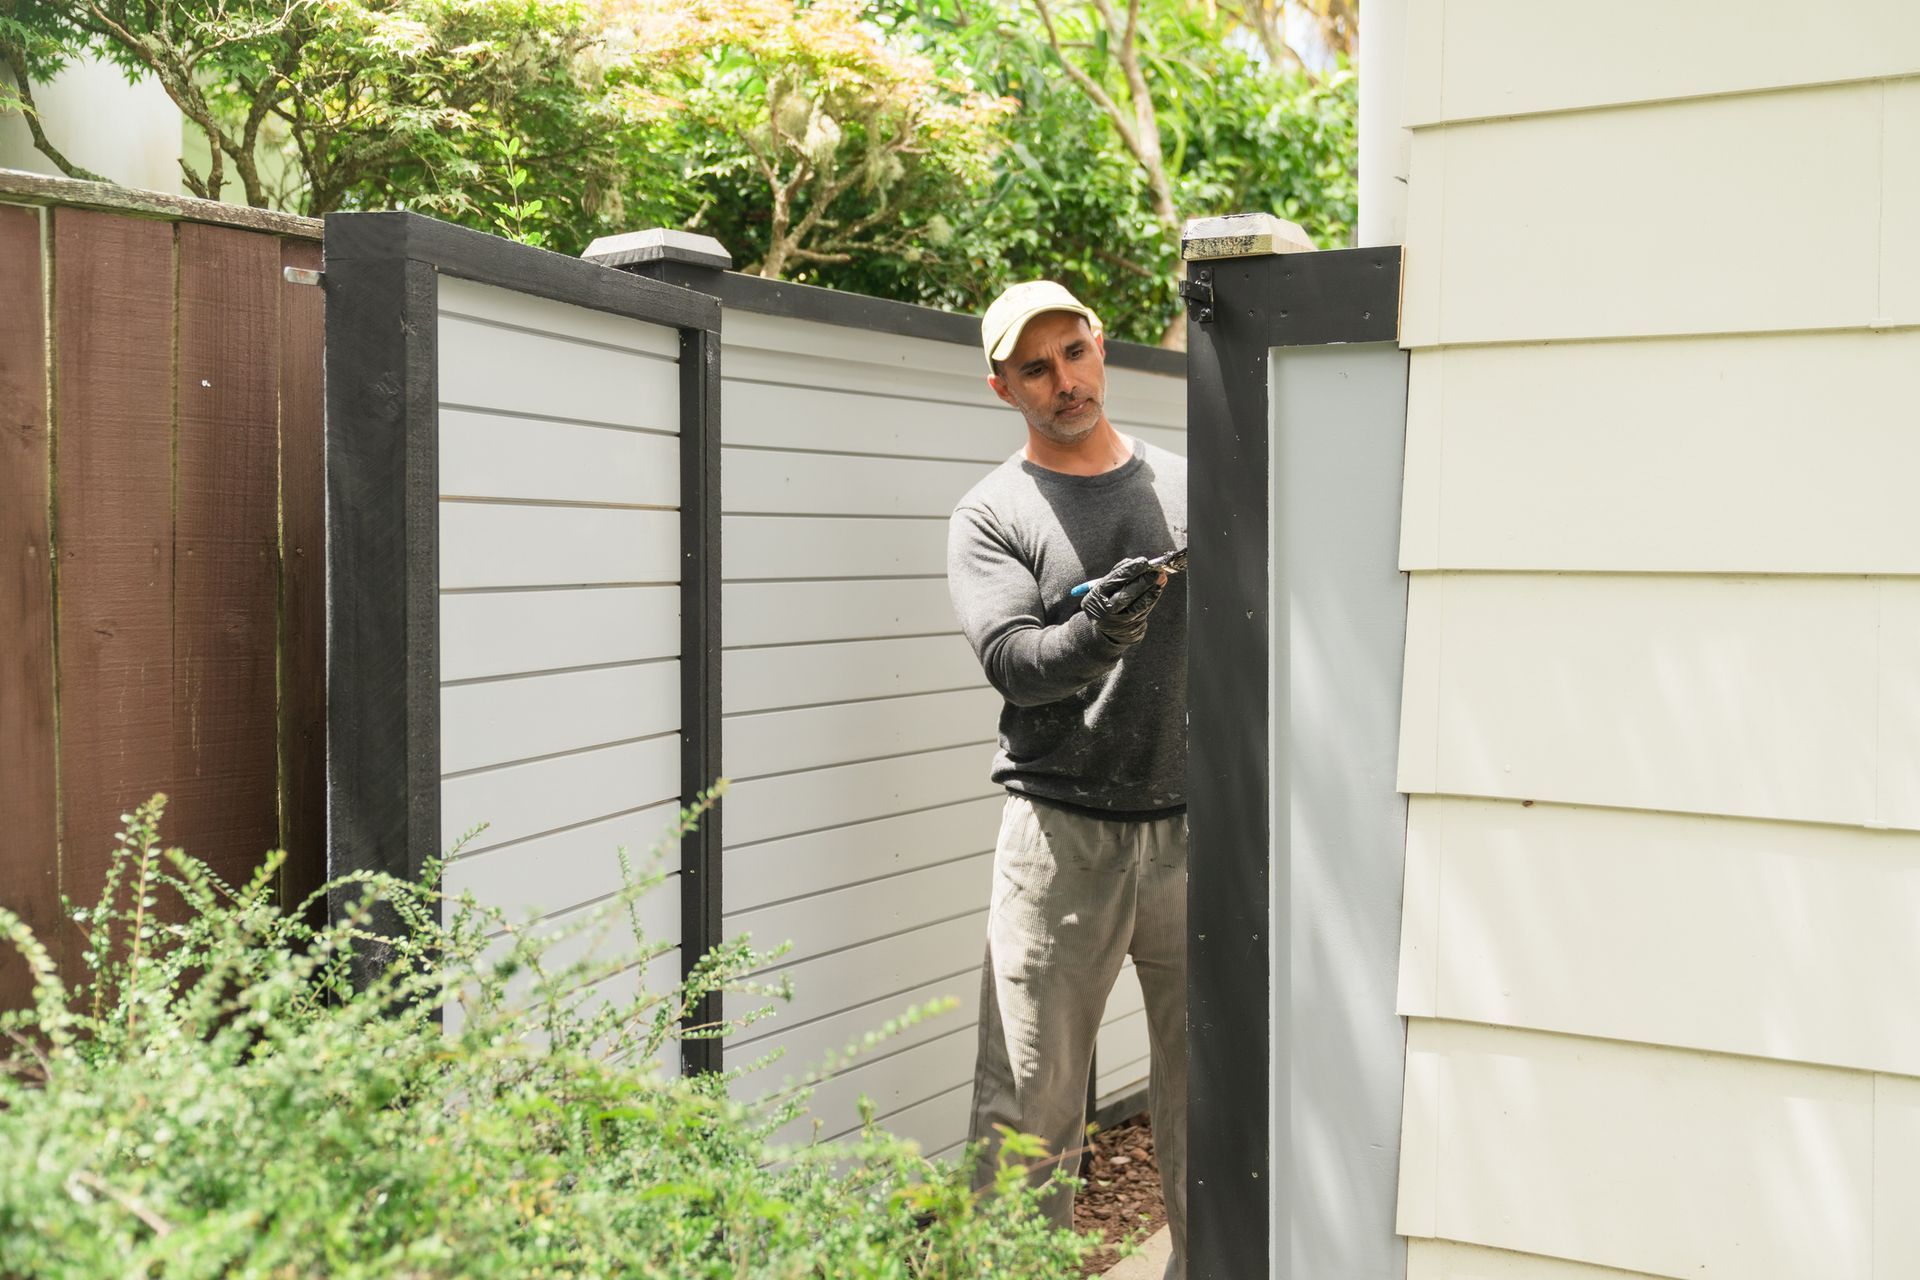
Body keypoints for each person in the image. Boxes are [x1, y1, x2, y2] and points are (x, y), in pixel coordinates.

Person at [948, 280, 1187, 1278]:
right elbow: (1013, 659)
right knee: (1028, 1117)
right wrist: (1097, 631)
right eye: (1036, 368)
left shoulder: (1186, 484)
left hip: (1196, 834)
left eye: (1075, 352)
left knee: (1213, 1102)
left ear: (1102, 349)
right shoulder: (992, 512)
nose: (1065, 381)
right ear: (1003, 384)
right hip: (1060, 841)